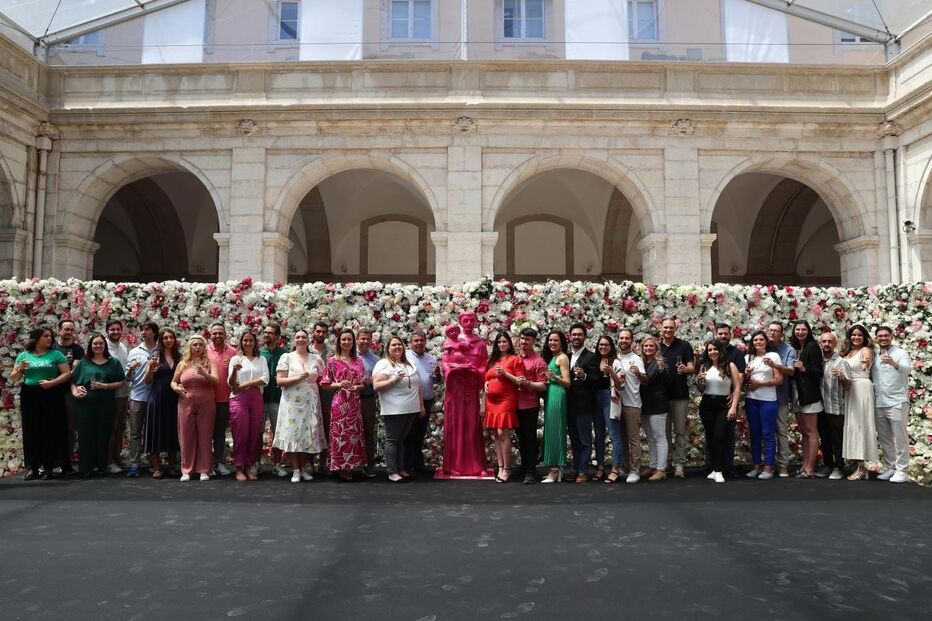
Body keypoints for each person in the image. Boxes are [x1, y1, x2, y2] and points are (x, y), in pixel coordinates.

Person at [11, 327, 71, 480]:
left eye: (50, 336)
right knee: (31, 430)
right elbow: (15, 378)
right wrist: (19, 368)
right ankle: (33, 467)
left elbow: (67, 373)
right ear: (36, 338)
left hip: (51, 394)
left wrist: (53, 383)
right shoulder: (24, 356)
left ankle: (49, 467)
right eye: (46, 336)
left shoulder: (56, 354)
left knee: (50, 430)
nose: (49, 338)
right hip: (30, 395)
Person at [273, 329, 326, 483]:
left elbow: (323, 380)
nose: (301, 339)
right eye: (298, 337)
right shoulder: (287, 357)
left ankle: (303, 468)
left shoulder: (316, 359)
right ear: (294, 340)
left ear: (308, 340)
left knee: (307, 434)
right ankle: (295, 470)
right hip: (291, 403)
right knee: (293, 434)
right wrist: (298, 377)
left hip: (310, 402)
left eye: (304, 337)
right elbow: (280, 381)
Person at [70, 334, 127, 477]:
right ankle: (85, 467)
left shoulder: (113, 363)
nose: (98, 346)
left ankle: (102, 466)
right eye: (95, 344)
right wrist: (76, 391)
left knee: (103, 434)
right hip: (85, 404)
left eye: (101, 343)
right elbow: (73, 382)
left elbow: (120, 382)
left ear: (105, 345)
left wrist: (104, 385)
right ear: (90, 346)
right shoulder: (83, 363)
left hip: (105, 403)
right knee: (85, 435)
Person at [440, 313, 488, 477]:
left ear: (476, 322)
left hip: (472, 389)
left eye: (471, 320)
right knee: (456, 425)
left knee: (472, 426)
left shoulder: (480, 344)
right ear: (460, 322)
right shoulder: (452, 341)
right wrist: (453, 370)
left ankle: (475, 464)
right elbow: (445, 364)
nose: (468, 323)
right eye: (465, 320)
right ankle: (455, 464)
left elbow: (484, 367)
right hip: (455, 390)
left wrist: (475, 371)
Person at [373, 336, 423, 483]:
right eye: (393, 345)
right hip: (394, 408)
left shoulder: (410, 364)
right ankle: (392, 471)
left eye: (399, 345)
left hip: (411, 408)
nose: (397, 347)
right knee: (392, 439)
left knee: (401, 439)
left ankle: (401, 469)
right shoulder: (384, 364)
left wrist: (420, 406)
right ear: (388, 348)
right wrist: (394, 379)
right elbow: (376, 386)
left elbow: (418, 386)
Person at [699, 323, 747, 476]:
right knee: (711, 436)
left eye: (715, 350)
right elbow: (701, 389)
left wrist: (733, 407)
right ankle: (713, 468)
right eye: (710, 350)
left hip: (724, 404)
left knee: (721, 436)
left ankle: (721, 469)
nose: (713, 352)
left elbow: (738, 386)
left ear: (721, 351)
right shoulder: (704, 366)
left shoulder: (730, 364)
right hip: (707, 404)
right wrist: (700, 381)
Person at [171, 335, 219, 481]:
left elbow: (216, 381)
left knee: (205, 435)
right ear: (190, 347)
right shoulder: (183, 364)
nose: (198, 347)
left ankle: (204, 469)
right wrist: (176, 389)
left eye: (200, 345)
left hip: (206, 402)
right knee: (186, 436)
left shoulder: (210, 362)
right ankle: (186, 470)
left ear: (204, 347)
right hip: (186, 403)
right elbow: (173, 382)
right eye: (195, 345)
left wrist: (205, 373)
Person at [321, 328, 367, 481]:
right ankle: (338, 467)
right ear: (339, 342)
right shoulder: (332, 360)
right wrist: (339, 384)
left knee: (353, 435)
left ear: (353, 342)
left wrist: (357, 387)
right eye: (343, 340)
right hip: (339, 402)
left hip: (354, 402)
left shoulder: (358, 361)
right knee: (339, 434)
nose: (346, 342)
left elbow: (362, 384)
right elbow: (325, 384)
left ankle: (349, 466)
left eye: (349, 339)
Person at [483, 332, 526, 483]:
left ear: (509, 343)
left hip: (506, 399)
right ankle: (500, 467)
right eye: (499, 342)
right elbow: (486, 378)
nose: (501, 344)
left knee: (503, 433)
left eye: (504, 341)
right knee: (495, 433)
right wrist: (486, 383)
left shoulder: (515, 359)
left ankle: (507, 468)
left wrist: (506, 374)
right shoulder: (492, 361)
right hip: (491, 401)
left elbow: (521, 381)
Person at [871, 326, 911, 484]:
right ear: (876, 338)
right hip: (880, 403)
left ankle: (903, 470)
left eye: (886, 336)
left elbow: (907, 370)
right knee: (885, 437)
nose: (883, 338)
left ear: (891, 337)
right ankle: (891, 467)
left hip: (897, 403)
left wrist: (895, 364)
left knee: (900, 437)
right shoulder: (874, 355)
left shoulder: (901, 353)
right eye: (880, 336)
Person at [228, 330, 269, 481]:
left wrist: (244, 384)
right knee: (241, 433)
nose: (248, 343)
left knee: (253, 434)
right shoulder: (236, 359)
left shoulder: (261, 359)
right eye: (245, 340)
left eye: (251, 340)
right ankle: (238, 468)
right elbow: (232, 384)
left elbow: (265, 379)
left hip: (256, 397)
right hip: (239, 399)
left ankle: (248, 467)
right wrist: (234, 371)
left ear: (255, 342)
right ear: (241, 342)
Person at [608, 329, 646, 483]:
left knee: (633, 438)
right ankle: (624, 467)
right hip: (617, 404)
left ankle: (635, 470)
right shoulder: (615, 359)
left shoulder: (636, 359)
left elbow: (645, 380)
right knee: (620, 438)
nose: (623, 340)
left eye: (626, 338)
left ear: (632, 341)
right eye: (621, 338)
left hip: (632, 403)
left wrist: (638, 373)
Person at [744, 330, 783, 480]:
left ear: (766, 341)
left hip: (768, 400)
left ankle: (768, 467)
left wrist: (760, 383)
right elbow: (743, 380)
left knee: (768, 434)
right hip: (751, 399)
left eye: (761, 340)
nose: (758, 342)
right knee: (754, 434)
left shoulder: (773, 356)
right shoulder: (748, 357)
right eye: (755, 340)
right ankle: (756, 466)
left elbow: (779, 380)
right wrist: (746, 374)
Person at [659, 317, 695, 478]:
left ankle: (679, 464)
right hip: (660, 396)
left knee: (680, 431)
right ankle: (665, 463)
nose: (668, 330)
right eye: (665, 328)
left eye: (671, 328)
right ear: (661, 328)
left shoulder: (684, 345)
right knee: (664, 433)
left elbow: (692, 367)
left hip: (680, 395)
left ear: (675, 329)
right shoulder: (656, 347)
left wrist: (685, 369)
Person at [841, 325, 877, 481]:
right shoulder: (847, 352)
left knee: (862, 424)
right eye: (853, 335)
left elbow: (866, 363)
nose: (856, 338)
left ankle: (862, 466)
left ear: (864, 337)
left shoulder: (866, 351)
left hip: (862, 387)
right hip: (849, 389)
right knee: (853, 425)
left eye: (859, 335)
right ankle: (858, 462)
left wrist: (865, 363)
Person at [143, 328, 180, 479]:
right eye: (165, 338)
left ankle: (171, 466)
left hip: (174, 397)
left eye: (171, 337)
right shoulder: (154, 356)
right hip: (157, 395)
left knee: (173, 431)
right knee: (155, 431)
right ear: (161, 340)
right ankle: (156, 468)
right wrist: (150, 368)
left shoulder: (179, 357)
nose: (169, 340)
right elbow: (147, 381)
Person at [124, 321, 159, 477]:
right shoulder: (134, 352)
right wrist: (131, 368)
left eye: (147, 329)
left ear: (154, 332)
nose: (144, 332)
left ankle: (154, 462)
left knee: (153, 431)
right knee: (135, 432)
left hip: (156, 396)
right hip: (137, 396)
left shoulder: (161, 350)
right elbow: (128, 377)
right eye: (142, 330)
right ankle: (134, 463)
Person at [566, 322, 600, 483]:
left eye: (580, 334)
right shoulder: (565, 356)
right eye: (574, 334)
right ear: (570, 336)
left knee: (585, 440)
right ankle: (575, 467)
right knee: (574, 439)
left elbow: (596, 380)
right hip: (568, 404)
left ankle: (582, 471)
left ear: (585, 337)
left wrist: (584, 376)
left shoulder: (591, 356)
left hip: (584, 405)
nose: (576, 337)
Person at [789, 321, 824, 478]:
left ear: (808, 331)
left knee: (811, 432)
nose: (800, 332)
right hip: (798, 394)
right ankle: (804, 465)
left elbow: (818, 371)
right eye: (798, 329)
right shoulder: (796, 347)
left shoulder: (812, 346)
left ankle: (810, 467)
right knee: (804, 432)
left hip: (810, 396)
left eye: (803, 329)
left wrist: (804, 369)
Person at [514, 328, 548, 484]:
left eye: (527, 339)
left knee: (530, 438)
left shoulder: (538, 362)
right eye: (522, 338)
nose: (523, 342)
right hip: (514, 404)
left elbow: (543, 386)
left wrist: (528, 383)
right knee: (520, 438)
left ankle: (531, 471)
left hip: (529, 405)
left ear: (534, 341)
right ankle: (524, 466)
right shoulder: (514, 358)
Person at [405, 330, 441, 476]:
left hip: (426, 400)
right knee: (409, 434)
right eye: (416, 341)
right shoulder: (405, 356)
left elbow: (435, 380)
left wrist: (438, 374)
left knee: (420, 435)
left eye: (421, 340)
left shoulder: (430, 358)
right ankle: (407, 466)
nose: (419, 343)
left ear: (425, 342)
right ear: (411, 343)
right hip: (410, 401)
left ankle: (417, 465)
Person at [766, 321, 797, 478]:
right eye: (770, 330)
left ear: (781, 333)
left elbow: (791, 371)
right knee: (765, 431)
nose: (773, 333)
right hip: (762, 396)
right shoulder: (761, 346)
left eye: (776, 331)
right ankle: (766, 465)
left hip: (780, 396)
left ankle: (783, 464)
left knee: (781, 431)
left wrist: (775, 365)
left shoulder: (788, 350)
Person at [53, 319, 84, 475]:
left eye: (71, 330)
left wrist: (65, 369)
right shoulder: (52, 348)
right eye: (66, 329)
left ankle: (67, 462)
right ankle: (51, 462)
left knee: (70, 428)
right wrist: (62, 365)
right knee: (52, 427)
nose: (69, 332)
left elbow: (75, 371)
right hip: (51, 392)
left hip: (68, 392)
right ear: (59, 330)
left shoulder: (77, 349)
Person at [817, 331, 849, 480]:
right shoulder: (818, 361)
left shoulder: (842, 362)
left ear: (835, 344)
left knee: (838, 439)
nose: (827, 344)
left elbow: (849, 387)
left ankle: (839, 467)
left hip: (836, 407)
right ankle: (828, 465)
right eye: (824, 341)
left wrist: (842, 378)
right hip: (820, 407)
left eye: (830, 342)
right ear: (820, 343)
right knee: (824, 438)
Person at [541, 330, 571, 483]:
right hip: (551, 394)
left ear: (561, 343)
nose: (552, 343)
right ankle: (554, 468)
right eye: (550, 340)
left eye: (556, 340)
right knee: (551, 429)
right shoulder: (552, 357)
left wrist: (554, 377)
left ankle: (556, 469)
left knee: (556, 430)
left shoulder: (562, 358)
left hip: (558, 395)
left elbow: (568, 383)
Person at [639, 336, 670, 481]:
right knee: (650, 438)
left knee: (660, 437)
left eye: (651, 346)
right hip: (645, 404)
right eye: (646, 346)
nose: (648, 349)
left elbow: (668, 380)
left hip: (658, 404)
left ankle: (661, 469)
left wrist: (663, 369)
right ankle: (652, 466)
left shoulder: (660, 362)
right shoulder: (642, 362)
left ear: (656, 348)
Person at [207, 323, 236, 477]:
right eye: (215, 333)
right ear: (210, 335)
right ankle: (206, 464)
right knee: (205, 433)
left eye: (220, 333)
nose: (217, 336)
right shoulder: (203, 351)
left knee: (219, 433)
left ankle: (219, 462)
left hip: (225, 399)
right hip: (207, 400)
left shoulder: (232, 352)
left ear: (225, 335)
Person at [259, 324, 288, 477]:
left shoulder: (284, 354)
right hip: (259, 400)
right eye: (265, 332)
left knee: (278, 434)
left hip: (278, 400)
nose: (266, 335)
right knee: (258, 433)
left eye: (270, 333)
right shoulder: (258, 353)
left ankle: (277, 464)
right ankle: (256, 464)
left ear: (277, 337)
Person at [105, 319, 129, 475]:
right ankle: (108, 461)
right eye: (112, 330)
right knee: (111, 428)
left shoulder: (122, 346)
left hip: (124, 392)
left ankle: (117, 457)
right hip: (110, 393)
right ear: (107, 331)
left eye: (118, 329)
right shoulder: (104, 347)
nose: (115, 332)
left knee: (120, 427)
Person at [592, 335, 618, 482]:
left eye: (606, 345)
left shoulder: (616, 361)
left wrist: (610, 372)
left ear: (611, 347)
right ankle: (601, 467)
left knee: (614, 434)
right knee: (599, 435)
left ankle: (615, 468)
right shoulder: (594, 361)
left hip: (610, 397)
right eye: (601, 345)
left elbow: (620, 383)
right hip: (596, 399)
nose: (603, 347)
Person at [356, 328, 380, 478]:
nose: (364, 341)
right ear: (357, 339)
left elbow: (381, 379)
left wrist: (372, 380)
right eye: (362, 338)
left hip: (368, 399)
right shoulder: (349, 356)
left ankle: (369, 464)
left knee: (368, 432)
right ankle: (350, 463)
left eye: (367, 339)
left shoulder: (376, 360)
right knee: (350, 431)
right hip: (350, 399)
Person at [311, 321, 332, 474]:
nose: (320, 334)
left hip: (327, 397)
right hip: (309, 397)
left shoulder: (331, 352)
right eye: (318, 331)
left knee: (326, 430)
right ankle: (310, 464)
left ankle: (323, 463)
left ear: (327, 334)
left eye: (323, 332)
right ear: (313, 332)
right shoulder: (306, 350)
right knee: (311, 430)